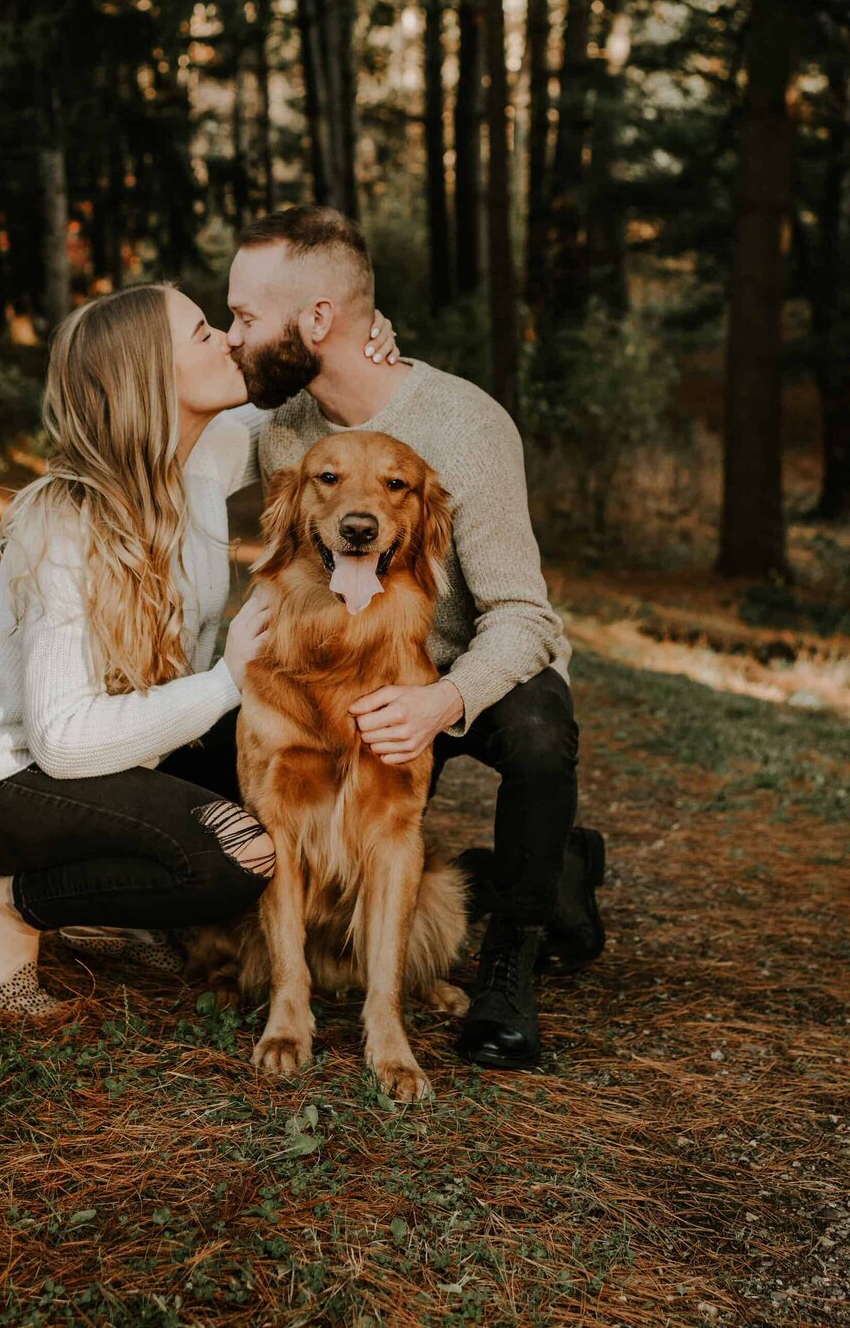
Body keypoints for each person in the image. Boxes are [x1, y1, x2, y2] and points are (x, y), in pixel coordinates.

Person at [0, 282, 398, 1012]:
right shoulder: (62, 524)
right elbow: (62, 743)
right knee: (242, 853)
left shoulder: (205, 458)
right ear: (152, 376)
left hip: (133, 753)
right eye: (204, 333)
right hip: (10, 784)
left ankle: (102, 894)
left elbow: (312, 402)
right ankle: (8, 905)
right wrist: (227, 679)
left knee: (275, 782)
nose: (229, 340)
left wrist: (361, 344)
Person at [217, 205, 606, 1071]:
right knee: (211, 747)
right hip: (326, 671)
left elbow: (525, 615)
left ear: (317, 319)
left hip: (461, 668)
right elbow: (172, 425)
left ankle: (512, 959)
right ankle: (271, 951)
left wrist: (444, 699)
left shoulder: (466, 425)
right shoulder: (286, 423)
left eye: (244, 316)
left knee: (542, 733)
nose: (232, 335)